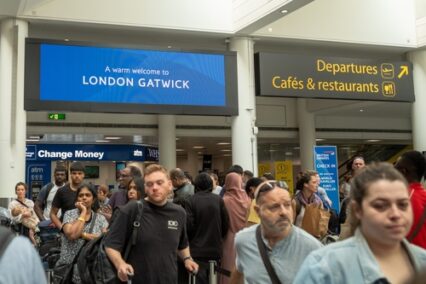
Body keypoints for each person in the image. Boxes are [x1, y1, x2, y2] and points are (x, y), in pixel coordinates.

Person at [293, 163, 426, 284]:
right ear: (357, 210)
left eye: (403, 204)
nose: (396, 214)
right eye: (380, 205)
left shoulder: (422, 261)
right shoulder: (323, 268)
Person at [104, 164, 198, 283]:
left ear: (169, 185)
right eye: (150, 184)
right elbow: (111, 245)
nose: (154, 187)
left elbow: (182, 244)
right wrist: (120, 264)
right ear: (145, 188)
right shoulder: (132, 210)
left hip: (169, 279)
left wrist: (187, 259)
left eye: (159, 183)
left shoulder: (179, 213)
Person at [231, 181, 322, 284]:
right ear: (257, 211)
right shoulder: (244, 240)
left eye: (287, 205)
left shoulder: (312, 247)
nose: (283, 212)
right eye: (274, 207)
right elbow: (238, 271)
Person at [54, 183, 108, 283]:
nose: (84, 198)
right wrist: (83, 212)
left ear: (94, 199)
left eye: (87, 195)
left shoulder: (101, 219)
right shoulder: (69, 214)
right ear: (77, 199)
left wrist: (83, 235)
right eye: (81, 195)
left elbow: (105, 240)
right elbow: (72, 235)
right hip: (68, 271)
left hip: (90, 272)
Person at [184, 173, 230, 284]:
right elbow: (225, 224)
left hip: (196, 250)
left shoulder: (190, 200)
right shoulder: (218, 200)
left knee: (197, 279)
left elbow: (188, 226)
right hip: (215, 248)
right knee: (213, 279)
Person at [220, 172, 251, 284]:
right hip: (246, 237)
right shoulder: (247, 198)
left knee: (228, 266)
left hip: (229, 237)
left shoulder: (225, 200)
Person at [395, 150, 426, 249]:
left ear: (403, 171)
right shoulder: (423, 195)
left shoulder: (404, 197)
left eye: (395, 169)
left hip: (409, 260)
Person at [50, 161, 86, 231]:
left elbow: (96, 212)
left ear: (83, 175)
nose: (77, 176)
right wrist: (61, 228)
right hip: (68, 230)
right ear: (70, 175)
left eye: (79, 173)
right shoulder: (62, 191)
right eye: (74, 173)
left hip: (86, 230)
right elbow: (52, 214)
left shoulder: (89, 191)